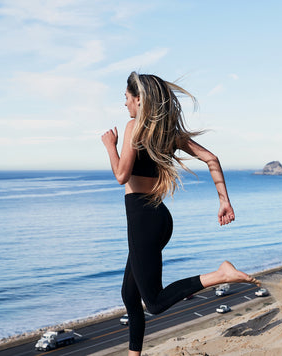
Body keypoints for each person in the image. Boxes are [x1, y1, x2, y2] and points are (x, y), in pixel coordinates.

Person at [101, 72, 260, 355]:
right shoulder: (169, 132)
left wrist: (110, 147)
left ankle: (221, 275)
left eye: (126, 99)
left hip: (143, 220)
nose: (125, 105)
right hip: (158, 218)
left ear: (139, 100)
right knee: (129, 294)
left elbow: (121, 174)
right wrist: (224, 201)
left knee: (155, 302)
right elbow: (211, 158)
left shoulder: (133, 127)